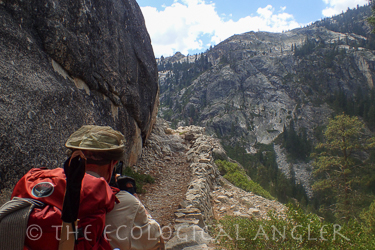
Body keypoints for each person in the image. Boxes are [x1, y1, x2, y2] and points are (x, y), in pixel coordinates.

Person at [65, 125, 162, 250]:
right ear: (113, 164)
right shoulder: (127, 203)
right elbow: (155, 241)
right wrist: (135, 200)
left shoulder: (49, 188)